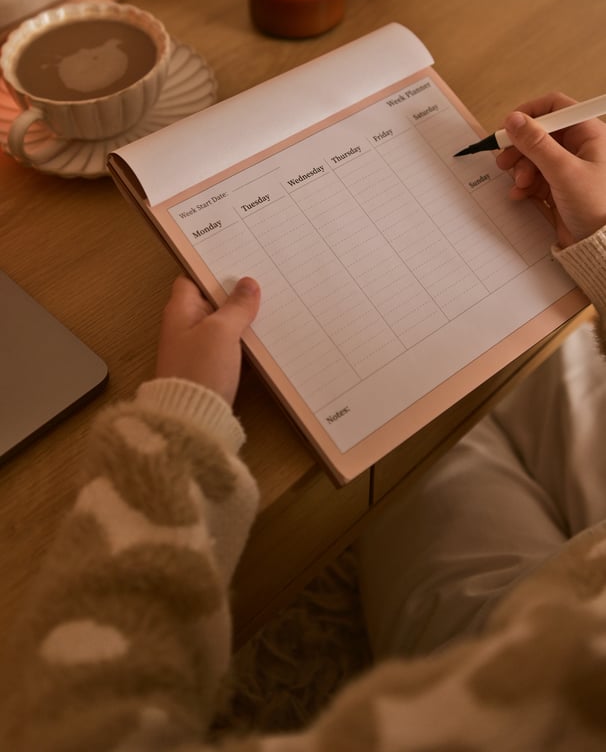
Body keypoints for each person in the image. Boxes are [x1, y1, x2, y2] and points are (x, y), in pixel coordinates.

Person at [7, 94, 606, 751]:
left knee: (429, 453)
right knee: (546, 360)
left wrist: (181, 427)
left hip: (524, 641)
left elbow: (84, 724)